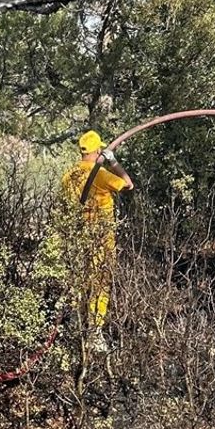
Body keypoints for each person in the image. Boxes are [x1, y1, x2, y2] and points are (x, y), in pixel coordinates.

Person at [60, 130, 133, 353]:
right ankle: (94, 333)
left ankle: (74, 325)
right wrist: (113, 162)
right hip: (101, 238)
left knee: (79, 280)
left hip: (77, 236)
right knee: (100, 283)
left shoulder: (68, 175)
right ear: (98, 150)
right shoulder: (101, 175)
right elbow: (128, 184)